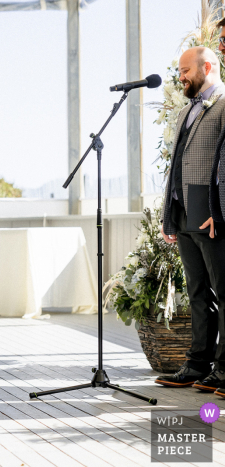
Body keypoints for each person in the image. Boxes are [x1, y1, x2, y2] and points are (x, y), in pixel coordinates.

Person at [156, 46, 225, 391]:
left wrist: (218, 209)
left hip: (212, 215)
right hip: (184, 214)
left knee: (224, 292)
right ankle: (198, 365)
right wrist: (169, 216)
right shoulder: (186, 111)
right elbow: (176, 167)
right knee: (197, 293)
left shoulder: (224, 105)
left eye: (185, 70)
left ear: (206, 67)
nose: (180, 77)